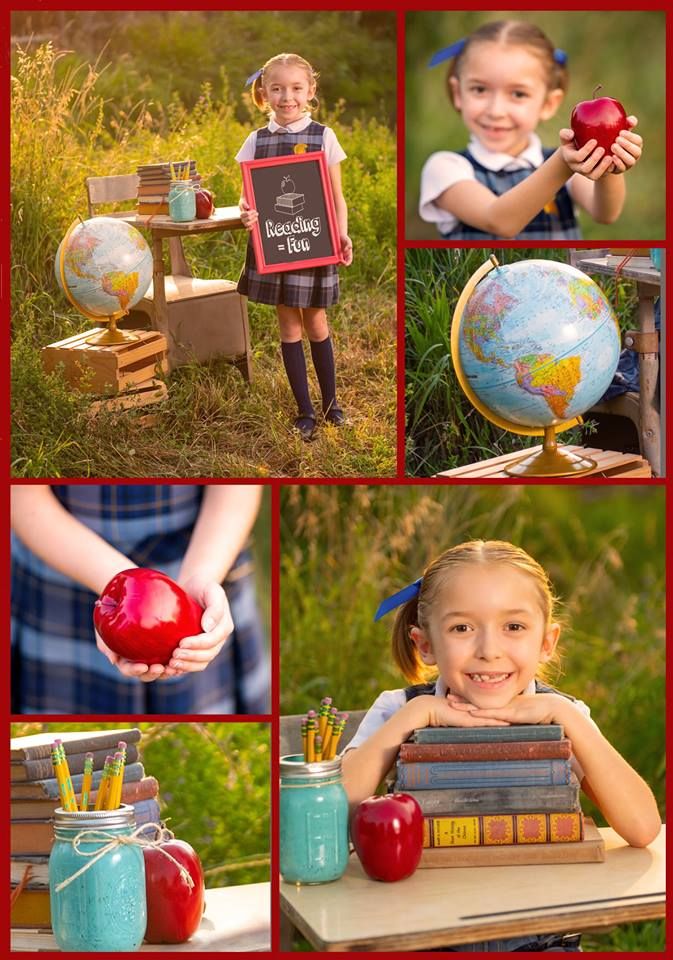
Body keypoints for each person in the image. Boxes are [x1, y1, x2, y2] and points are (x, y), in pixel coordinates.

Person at [342, 540, 661, 952]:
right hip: (423, 935)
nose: (489, 651)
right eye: (462, 628)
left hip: (542, 942)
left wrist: (568, 721)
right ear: (426, 644)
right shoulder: (399, 710)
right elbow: (331, 813)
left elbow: (642, 827)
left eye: (513, 627)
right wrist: (414, 718)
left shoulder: (564, 715)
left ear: (547, 641)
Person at [11, 484, 270, 715]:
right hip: (64, 561)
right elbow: (19, 495)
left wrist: (200, 578)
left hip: (203, 552)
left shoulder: (199, 587)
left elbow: (239, 483)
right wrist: (124, 583)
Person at [418, 20, 644, 240]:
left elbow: (605, 213)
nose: (496, 110)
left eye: (518, 94)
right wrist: (563, 165)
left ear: (548, 104)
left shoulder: (563, 162)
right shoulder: (445, 168)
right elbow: (498, 221)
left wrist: (610, 163)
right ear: (458, 94)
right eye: (479, 89)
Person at [236, 52, 353, 442]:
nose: (287, 97)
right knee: (288, 324)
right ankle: (304, 412)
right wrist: (246, 215)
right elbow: (246, 199)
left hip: (315, 244)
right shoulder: (255, 141)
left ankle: (332, 405)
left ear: (311, 91)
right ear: (264, 94)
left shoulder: (324, 136)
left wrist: (342, 234)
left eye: (296, 88)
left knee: (316, 320)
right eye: (278, 89)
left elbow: (337, 198)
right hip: (276, 247)